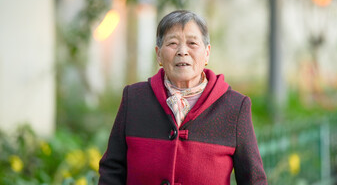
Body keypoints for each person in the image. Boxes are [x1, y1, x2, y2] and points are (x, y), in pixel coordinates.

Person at [98, 10, 267, 185]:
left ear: (207, 53)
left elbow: (253, 180)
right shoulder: (134, 99)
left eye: (192, 43)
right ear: (158, 54)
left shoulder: (234, 107)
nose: (182, 51)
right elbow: (112, 169)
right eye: (172, 43)